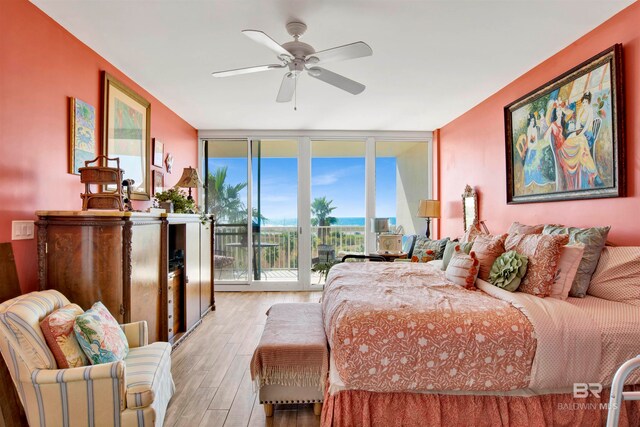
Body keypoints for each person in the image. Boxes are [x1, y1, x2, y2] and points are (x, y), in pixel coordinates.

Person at [544, 99, 601, 190]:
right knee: (581, 139)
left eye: (560, 111)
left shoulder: (562, 123)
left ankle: (591, 172)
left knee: (581, 139)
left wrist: (563, 107)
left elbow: (571, 112)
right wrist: (552, 136)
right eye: (557, 111)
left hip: (565, 145)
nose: (559, 112)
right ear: (555, 113)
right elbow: (545, 137)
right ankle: (594, 173)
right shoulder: (553, 124)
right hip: (562, 149)